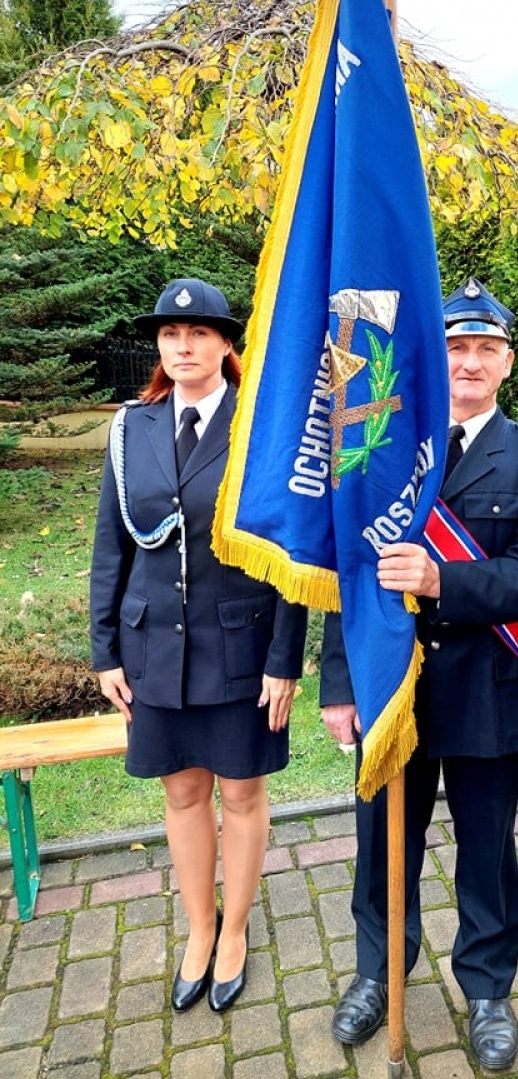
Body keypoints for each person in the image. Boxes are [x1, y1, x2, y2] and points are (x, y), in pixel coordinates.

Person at [319, 278, 518, 1071]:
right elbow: (347, 572)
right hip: (390, 682)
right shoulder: (382, 440)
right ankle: (377, 971)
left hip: (483, 684)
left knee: (486, 847)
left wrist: (441, 582)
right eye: (456, 347)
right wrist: (338, 682)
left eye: (485, 349)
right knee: (379, 843)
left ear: (507, 363)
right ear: (437, 356)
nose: (469, 362)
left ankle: (488, 988)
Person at [90, 278, 307, 1015]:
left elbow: (290, 552)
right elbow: (110, 547)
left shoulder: (261, 429)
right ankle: (199, 927)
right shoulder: (131, 430)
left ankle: (237, 931)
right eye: (169, 334)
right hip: (153, 649)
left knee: (242, 792)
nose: (182, 346)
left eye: (198, 333)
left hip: (240, 647)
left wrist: (285, 659)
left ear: (224, 344)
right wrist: (105, 651)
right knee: (182, 790)